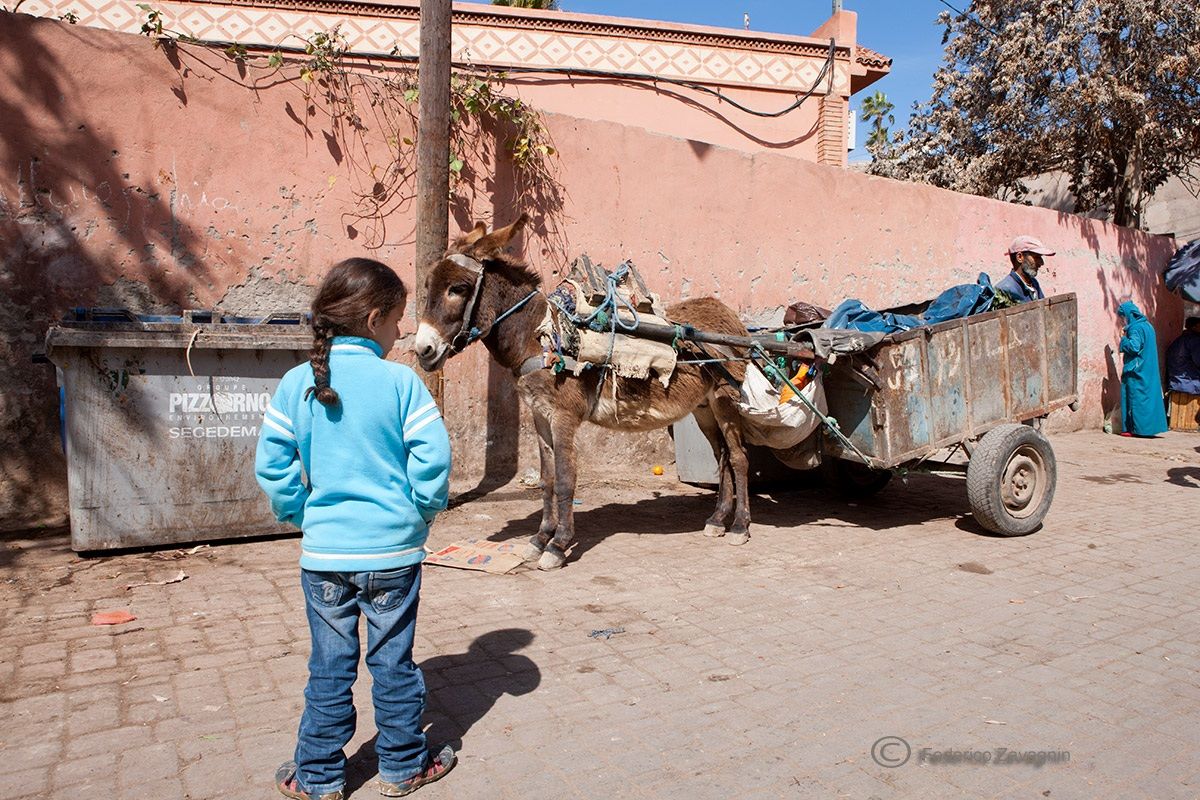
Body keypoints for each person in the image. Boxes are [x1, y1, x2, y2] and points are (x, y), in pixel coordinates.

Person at [256, 258, 454, 800]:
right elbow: (433, 460)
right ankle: (403, 767)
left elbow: (271, 467)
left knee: (329, 667)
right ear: (372, 320)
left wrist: (300, 514)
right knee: (393, 664)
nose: (401, 334)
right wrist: (421, 511)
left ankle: (318, 777)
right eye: (397, 322)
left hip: (324, 558)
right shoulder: (400, 382)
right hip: (393, 557)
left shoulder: (297, 382)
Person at [1116, 300, 1168, 437]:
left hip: (1136, 370)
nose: (1123, 319)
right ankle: (1148, 429)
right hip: (1147, 368)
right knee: (1148, 398)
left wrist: (1123, 339)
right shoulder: (1148, 326)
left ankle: (1136, 429)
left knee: (1136, 398)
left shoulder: (1135, 328)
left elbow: (1134, 347)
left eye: (1123, 316)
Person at [995, 235, 1054, 305]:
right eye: (1036, 257)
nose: (1041, 263)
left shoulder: (1034, 283)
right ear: (1020, 257)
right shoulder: (1005, 290)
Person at [1166, 316, 1200, 395]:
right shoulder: (1194, 340)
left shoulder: (1181, 339)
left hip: (1176, 381)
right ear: (1194, 327)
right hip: (1188, 382)